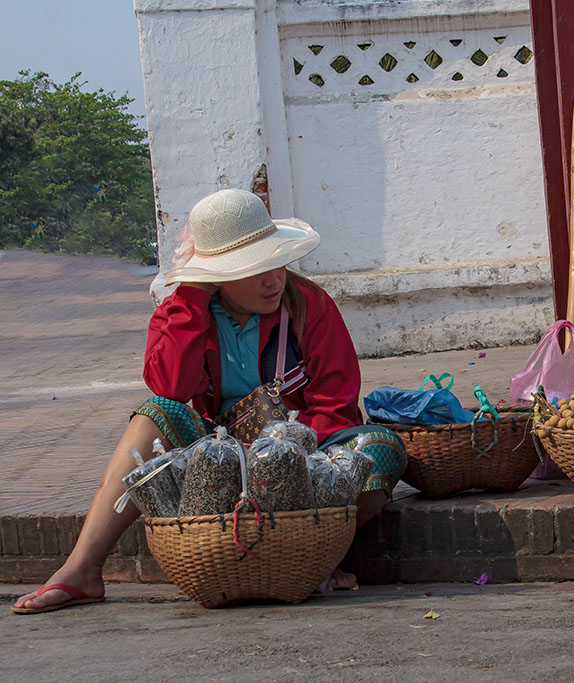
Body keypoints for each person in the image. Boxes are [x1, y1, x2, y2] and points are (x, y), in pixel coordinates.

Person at [13, 189, 407, 614]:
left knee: (380, 448)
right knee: (152, 415)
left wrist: (281, 452)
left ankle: (313, 555)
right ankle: (83, 569)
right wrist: (193, 299)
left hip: (301, 460)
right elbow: (170, 387)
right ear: (215, 274)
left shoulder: (309, 306)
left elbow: (336, 405)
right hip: (212, 466)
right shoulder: (180, 312)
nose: (273, 279)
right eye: (253, 269)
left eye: (275, 262)